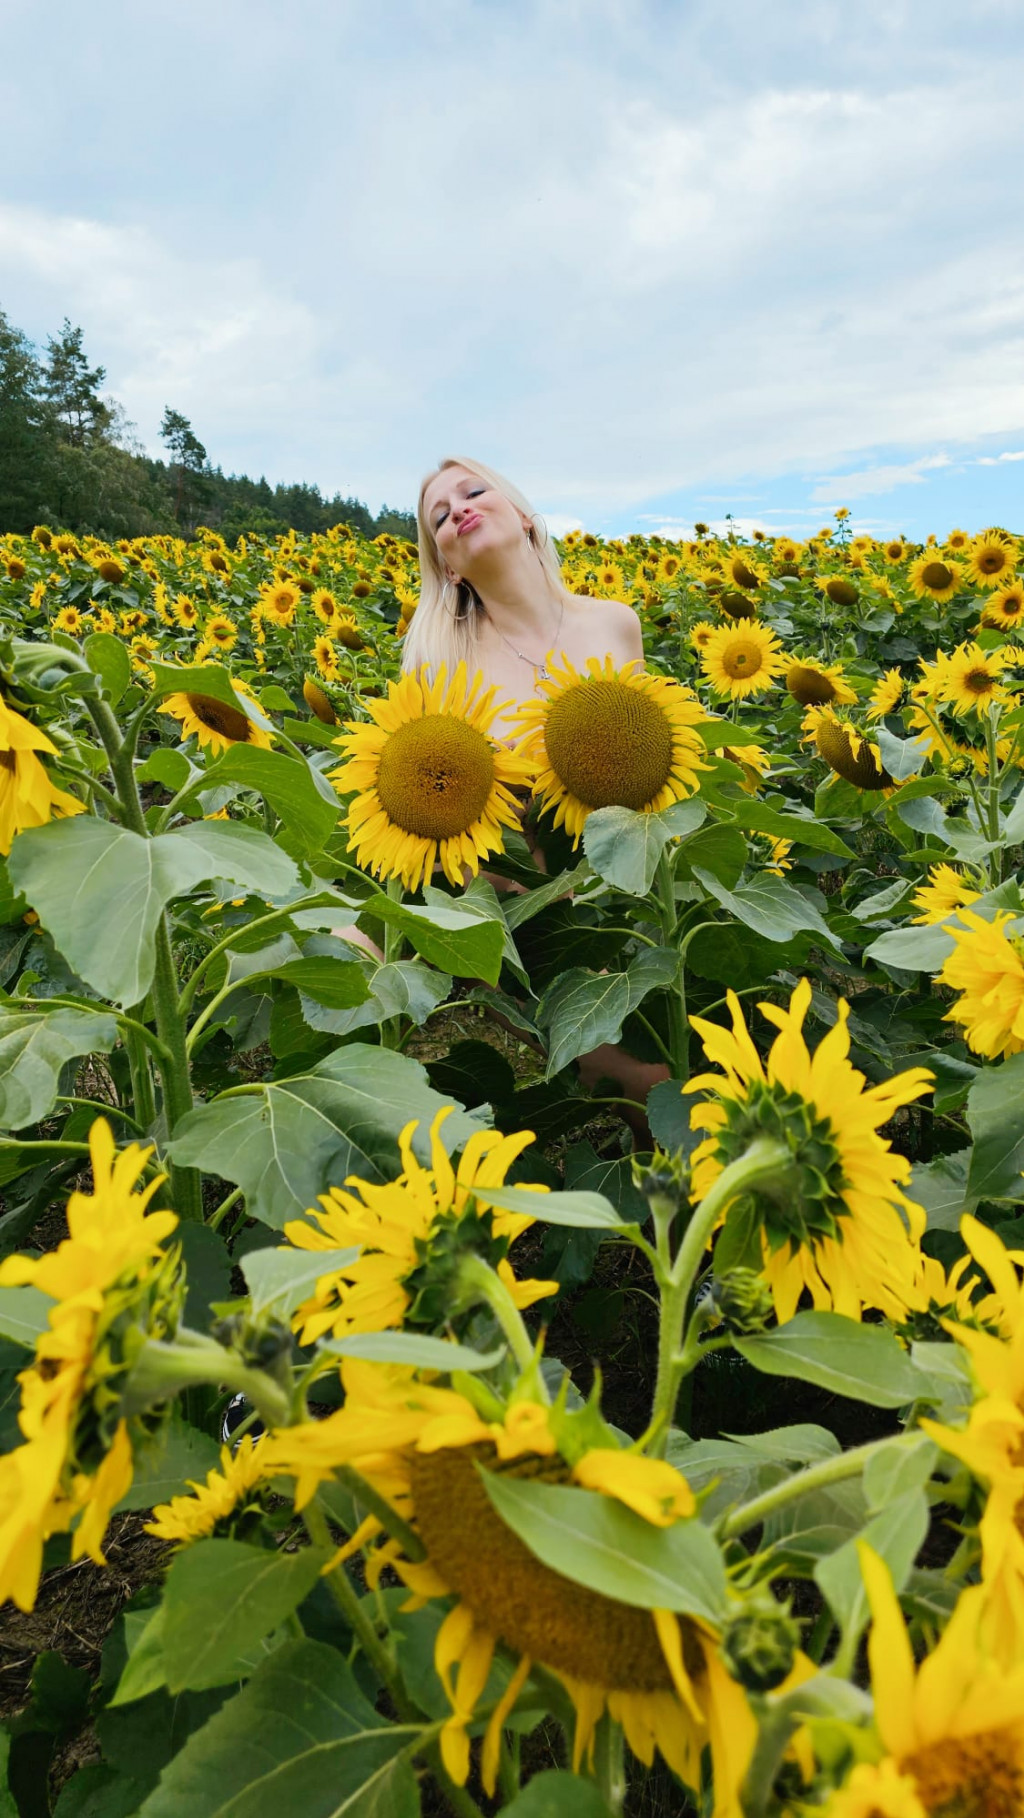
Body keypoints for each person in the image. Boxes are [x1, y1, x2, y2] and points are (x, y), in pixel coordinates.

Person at [406, 456, 670, 1123]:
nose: (459, 508)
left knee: (693, 1065)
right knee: (645, 1081)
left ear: (523, 514)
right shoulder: (444, 664)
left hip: (633, 888)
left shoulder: (615, 623)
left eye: (473, 490)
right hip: (524, 920)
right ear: (450, 569)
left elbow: (645, 766)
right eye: (439, 516)